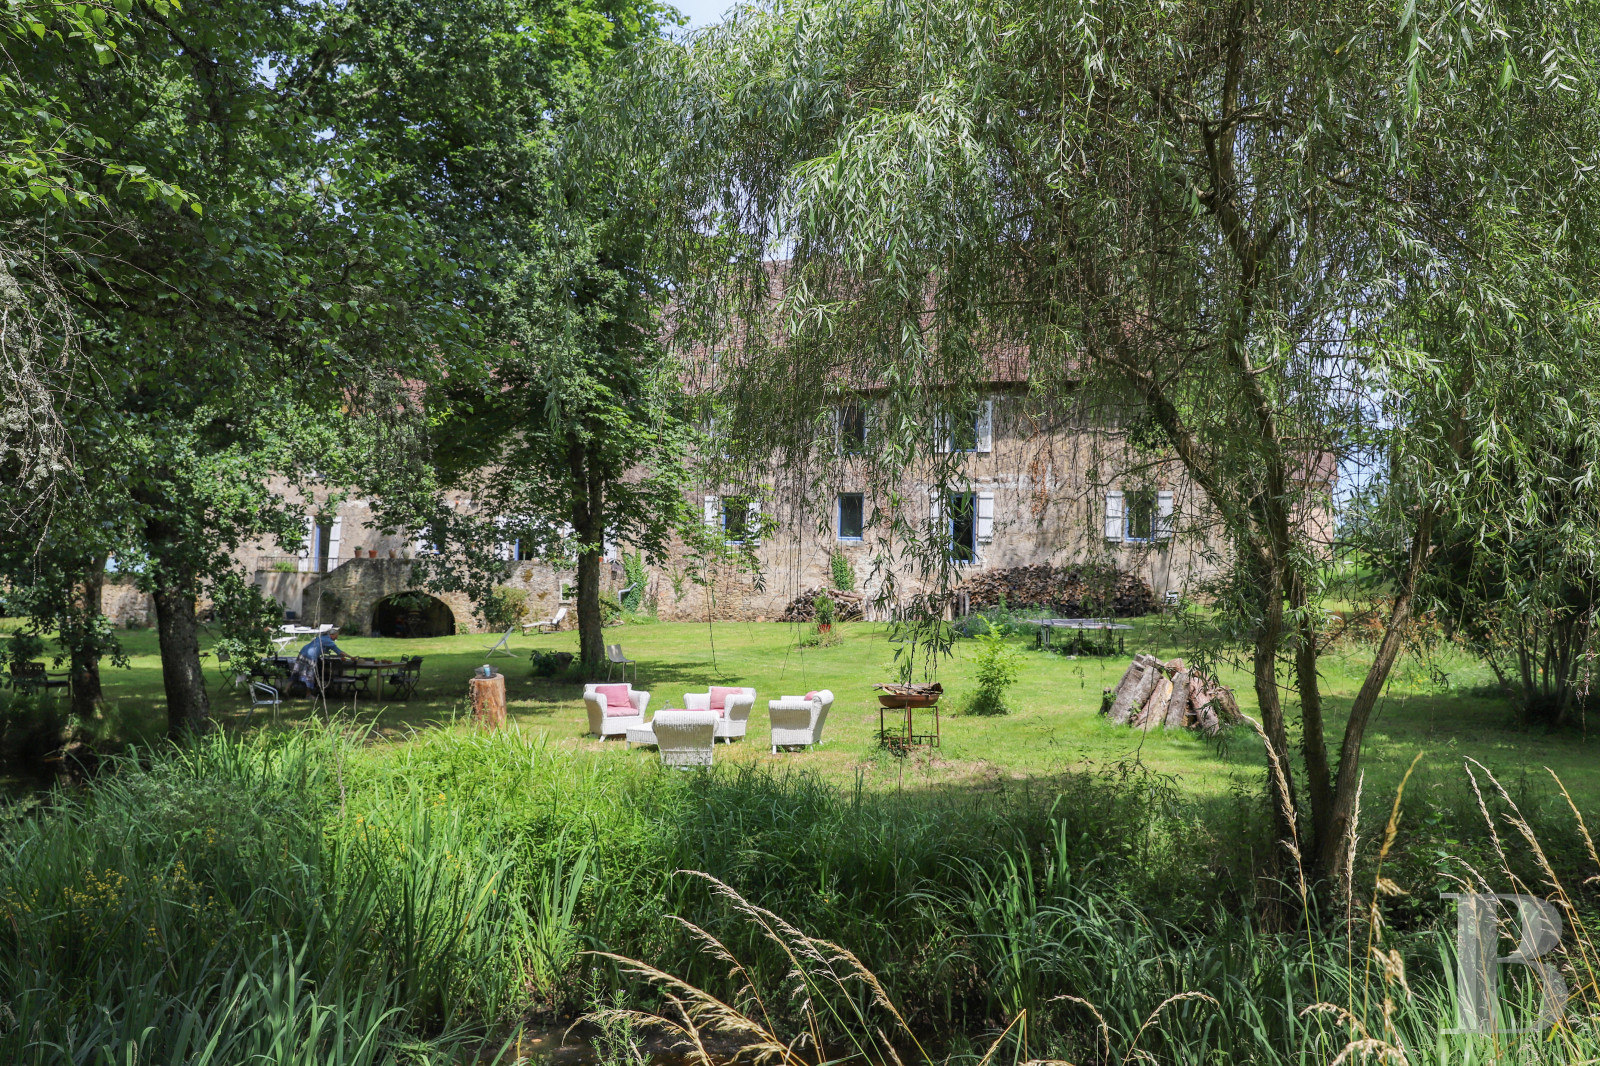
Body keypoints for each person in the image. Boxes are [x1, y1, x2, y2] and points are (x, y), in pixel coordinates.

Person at [291, 628, 346, 695]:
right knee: (309, 675)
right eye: (336, 635)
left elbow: (323, 649)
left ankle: (286, 689)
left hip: (303, 652)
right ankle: (308, 694)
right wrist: (351, 657)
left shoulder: (320, 638)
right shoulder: (328, 641)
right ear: (332, 634)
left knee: (296, 671)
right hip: (311, 656)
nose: (337, 637)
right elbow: (339, 652)